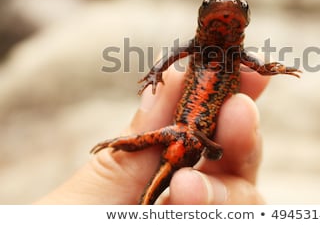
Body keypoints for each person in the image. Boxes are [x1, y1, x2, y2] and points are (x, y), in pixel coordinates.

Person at [35, 65, 268, 204]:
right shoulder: (201, 45)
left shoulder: (236, 56)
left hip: (193, 138)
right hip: (185, 133)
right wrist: (156, 73)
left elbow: (217, 152)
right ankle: (120, 144)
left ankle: (121, 144)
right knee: (148, 151)